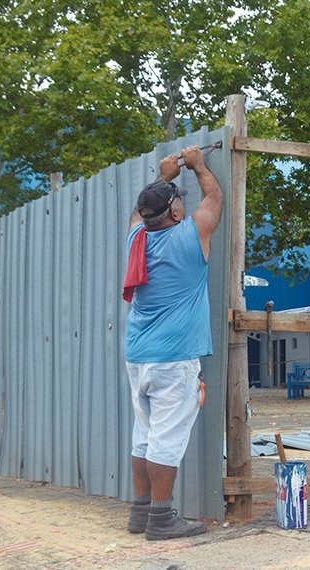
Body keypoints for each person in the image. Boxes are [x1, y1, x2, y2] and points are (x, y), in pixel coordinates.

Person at [121, 145, 223, 540]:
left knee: (143, 434)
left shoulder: (136, 238)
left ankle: (140, 512)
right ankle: (161, 520)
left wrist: (164, 177)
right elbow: (215, 198)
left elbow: (138, 211)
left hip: (139, 354)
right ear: (177, 213)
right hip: (173, 357)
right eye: (179, 201)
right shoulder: (190, 235)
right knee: (164, 439)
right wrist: (197, 165)